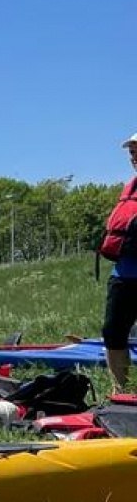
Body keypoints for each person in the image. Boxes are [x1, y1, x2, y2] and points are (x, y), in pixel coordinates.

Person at [99, 132, 137, 387]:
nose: (134, 158)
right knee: (113, 332)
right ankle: (120, 392)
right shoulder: (130, 187)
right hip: (123, 274)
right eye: (132, 153)